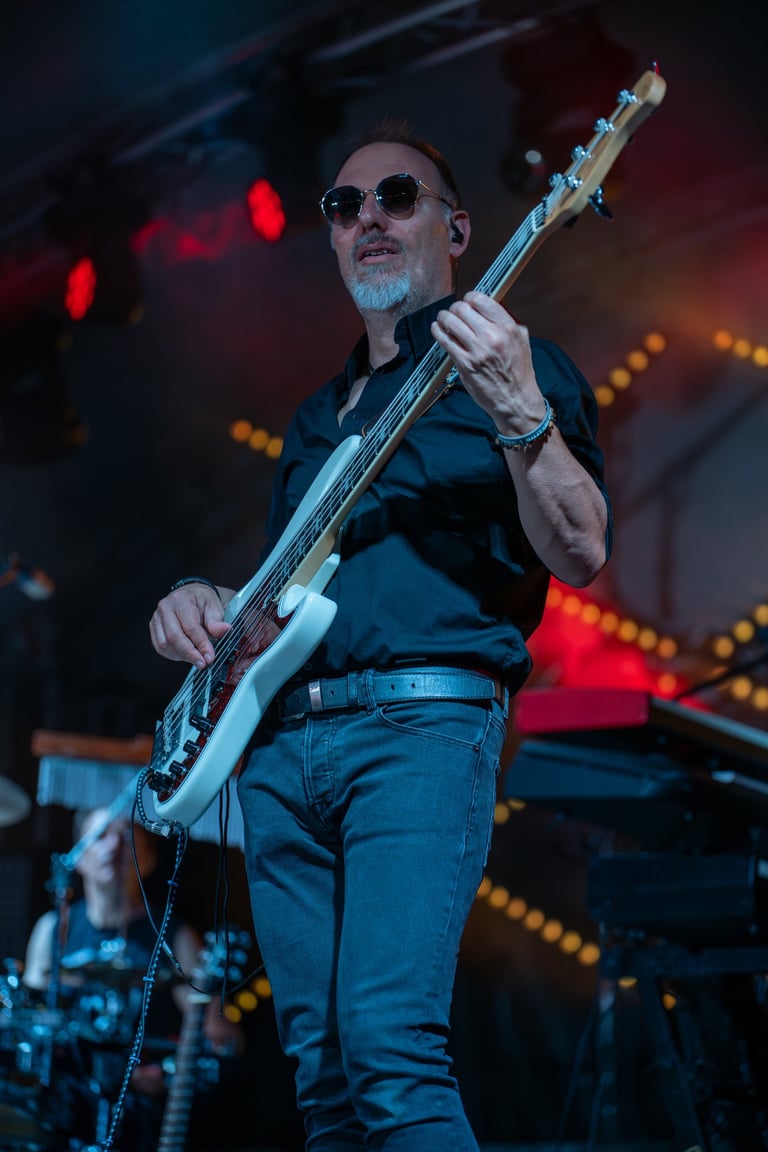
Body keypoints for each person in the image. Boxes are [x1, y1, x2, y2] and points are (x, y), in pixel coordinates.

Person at [149, 123, 612, 1150]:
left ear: (457, 228)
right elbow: (284, 593)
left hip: (418, 735)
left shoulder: (522, 368)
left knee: (391, 1050)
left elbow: (581, 549)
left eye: (397, 197)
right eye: (344, 206)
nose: (369, 219)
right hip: (279, 758)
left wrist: (520, 408)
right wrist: (198, 598)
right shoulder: (315, 418)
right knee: (323, 1080)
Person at [23, 807, 241, 1149]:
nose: (113, 847)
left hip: (140, 1114)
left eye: (126, 838)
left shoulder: (174, 935)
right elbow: (29, 1023)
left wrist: (167, 1072)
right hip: (63, 1107)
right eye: (100, 837)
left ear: (149, 860)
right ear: (78, 857)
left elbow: (220, 1036)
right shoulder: (54, 930)